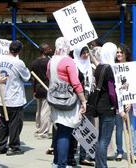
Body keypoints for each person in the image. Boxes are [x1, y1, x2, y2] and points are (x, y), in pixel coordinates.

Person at [48, 37, 87, 168]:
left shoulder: (51, 61)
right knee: (65, 132)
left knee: (59, 131)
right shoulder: (68, 61)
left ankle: (56, 162)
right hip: (68, 102)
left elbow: (48, 76)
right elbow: (76, 83)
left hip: (54, 100)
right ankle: (62, 164)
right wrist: (83, 100)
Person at [0, 40, 31, 156]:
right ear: (19, 51)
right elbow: (26, 77)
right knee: (15, 123)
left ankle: (0, 147)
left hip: (1, 96)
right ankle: (13, 147)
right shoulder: (18, 62)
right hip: (14, 98)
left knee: (2, 123)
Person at [94, 42, 119, 168]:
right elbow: (112, 92)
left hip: (99, 105)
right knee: (105, 139)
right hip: (108, 107)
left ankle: (98, 164)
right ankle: (102, 165)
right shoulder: (109, 68)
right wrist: (117, 105)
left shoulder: (99, 67)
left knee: (100, 139)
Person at [115, 44, 136, 162]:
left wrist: (130, 101)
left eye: (121, 52)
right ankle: (119, 151)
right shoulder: (114, 68)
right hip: (118, 102)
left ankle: (133, 152)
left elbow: (134, 86)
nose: (119, 54)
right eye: (117, 52)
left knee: (131, 129)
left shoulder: (131, 67)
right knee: (119, 128)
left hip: (129, 102)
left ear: (126, 54)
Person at [72, 46, 96, 166]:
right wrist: (82, 100)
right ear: (77, 53)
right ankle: (74, 155)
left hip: (89, 101)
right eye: (83, 52)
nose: (86, 55)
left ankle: (84, 156)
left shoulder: (90, 66)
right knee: (77, 129)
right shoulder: (74, 66)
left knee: (87, 129)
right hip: (77, 102)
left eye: (87, 52)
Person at [31, 43, 52, 139]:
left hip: (38, 88)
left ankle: (38, 128)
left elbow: (33, 78)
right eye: (48, 49)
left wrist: (34, 90)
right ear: (44, 50)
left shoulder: (34, 62)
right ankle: (43, 132)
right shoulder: (49, 62)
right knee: (45, 111)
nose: (50, 49)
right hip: (47, 88)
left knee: (39, 110)